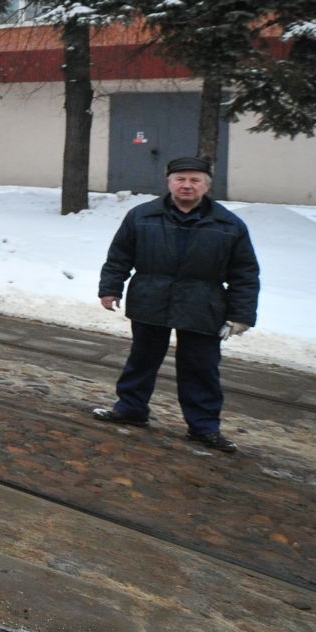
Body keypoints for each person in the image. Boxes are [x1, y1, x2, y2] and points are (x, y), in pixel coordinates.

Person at [92, 155, 260, 453]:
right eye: (180, 179)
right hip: (150, 299)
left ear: (206, 186)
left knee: (201, 368)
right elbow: (119, 256)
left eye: (195, 180)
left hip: (203, 305)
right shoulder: (141, 216)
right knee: (142, 360)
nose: (187, 185)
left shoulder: (229, 225)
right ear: (169, 183)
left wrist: (241, 315)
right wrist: (110, 288)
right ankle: (131, 409)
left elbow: (244, 274)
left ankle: (204, 427)